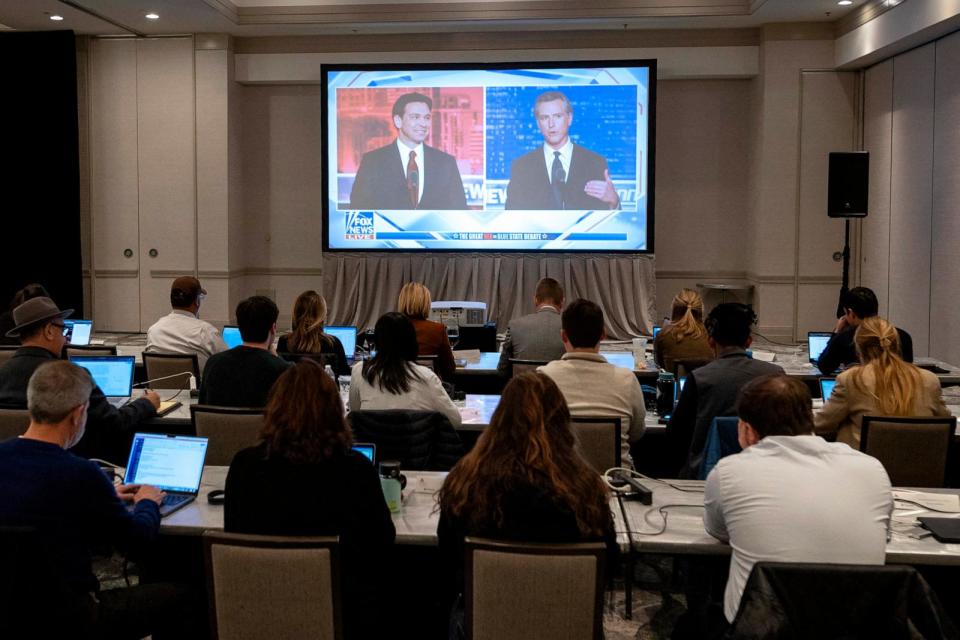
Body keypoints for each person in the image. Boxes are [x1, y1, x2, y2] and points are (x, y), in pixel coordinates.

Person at [0, 361, 202, 639]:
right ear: (78, 414)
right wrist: (147, 502)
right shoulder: (81, 474)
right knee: (184, 595)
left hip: (14, 611)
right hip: (73, 615)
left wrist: (106, 498)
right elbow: (137, 540)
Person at [225, 359, 395, 639]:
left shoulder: (245, 465)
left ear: (273, 407)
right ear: (336, 410)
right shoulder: (355, 470)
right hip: (344, 613)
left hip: (259, 608)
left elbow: (235, 534)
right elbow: (382, 543)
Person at [704, 375, 892, 627]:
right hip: (856, 627)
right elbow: (885, 535)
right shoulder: (872, 468)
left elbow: (718, 531)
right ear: (811, 417)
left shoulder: (728, 472)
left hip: (762, 629)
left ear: (746, 429)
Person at [437, 372, 616, 634]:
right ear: (562, 422)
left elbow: (449, 563)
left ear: (498, 418)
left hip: (484, 626)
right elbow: (608, 567)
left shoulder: (466, 484)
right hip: (568, 626)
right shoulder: (586, 490)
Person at [0, 297, 159, 461]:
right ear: (49, 331)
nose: (65, 339)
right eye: (63, 331)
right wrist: (147, 403)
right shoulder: (69, 377)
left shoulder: (3, 373)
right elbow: (113, 424)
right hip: (70, 467)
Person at [667, 302, 783, 479]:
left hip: (705, 475)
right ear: (749, 342)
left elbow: (676, 433)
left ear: (711, 341)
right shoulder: (775, 375)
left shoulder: (699, 378)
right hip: (767, 472)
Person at [538, 298, 645, 468]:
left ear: (563, 335)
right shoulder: (627, 380)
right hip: (616, 488)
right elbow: (637, 433)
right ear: (603, 334)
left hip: (559, 486)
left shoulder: (543, 378)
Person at [815, 316, 948, 448]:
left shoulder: (852, 379)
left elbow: (821, 424)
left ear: (859, 349)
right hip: (919, 465)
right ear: (897, 344)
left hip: (864, 465)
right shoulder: (929, 380)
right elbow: (945, 422)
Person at [349, 92, 467, 211]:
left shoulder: (446, 163)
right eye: (415, 117)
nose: (423, 124)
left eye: (426, 118)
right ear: (398, 121)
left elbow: (460, 211)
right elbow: (358, 210)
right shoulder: (373, 162)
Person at [505, 90, 619, 210]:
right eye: (544, 118)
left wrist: (614, 201)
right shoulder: (522, 167)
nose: (551, 124)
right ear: (538, 124)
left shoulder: (595, 162)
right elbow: (511, 217)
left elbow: (607, 222)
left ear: (569, 118)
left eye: (557, 116)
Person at [349, 312, 461, 427]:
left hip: (373, 443)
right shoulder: (426, 377)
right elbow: (455, 421)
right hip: (417, 443)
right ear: (412, 342)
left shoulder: (360, 372)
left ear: (376, 341)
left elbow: (355, 413)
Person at [199, 295, 290, 407]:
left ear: (240, 327)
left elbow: (202, 409)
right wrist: (275, 357)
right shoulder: (284, 371)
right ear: (273, 328)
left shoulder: (213, 364)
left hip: (222, 424)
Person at [818, 286, 913, 374]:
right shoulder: (903, 336)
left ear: (851, 313)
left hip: (860, 390)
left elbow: (824, 367)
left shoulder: (845, 338)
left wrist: (836, 332)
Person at [145, 276, 227, 373]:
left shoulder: (154, 331)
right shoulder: (206, 331)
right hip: (198, 388)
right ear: (197, 301)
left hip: (158, 388)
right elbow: (228, 363)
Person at [496, 276, 565, 376]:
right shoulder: (572, 328)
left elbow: (502, 370)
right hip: (558, 390)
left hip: (523, 390)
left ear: (535, 300)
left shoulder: (515, 325)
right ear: (562, 302)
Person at [277, 290, 350, 376]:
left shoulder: (284, 341)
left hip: (292, 389)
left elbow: (280, 376)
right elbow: (345, 377)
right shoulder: (333, 343)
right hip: (325, 389)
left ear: (296, 314)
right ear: (322, 316)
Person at [396, 281, 456, 383]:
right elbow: (449, 369)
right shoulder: (437, 329)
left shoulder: (391, 328)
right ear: (426, 303)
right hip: (429, 390)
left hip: (396, 389)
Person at [654, 288, 713, 374]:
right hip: (706, 386)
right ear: (701, 311)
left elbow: (660, 365)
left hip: (673, 386)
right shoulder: (712, 336)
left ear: (674, 309)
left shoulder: (663, 335)